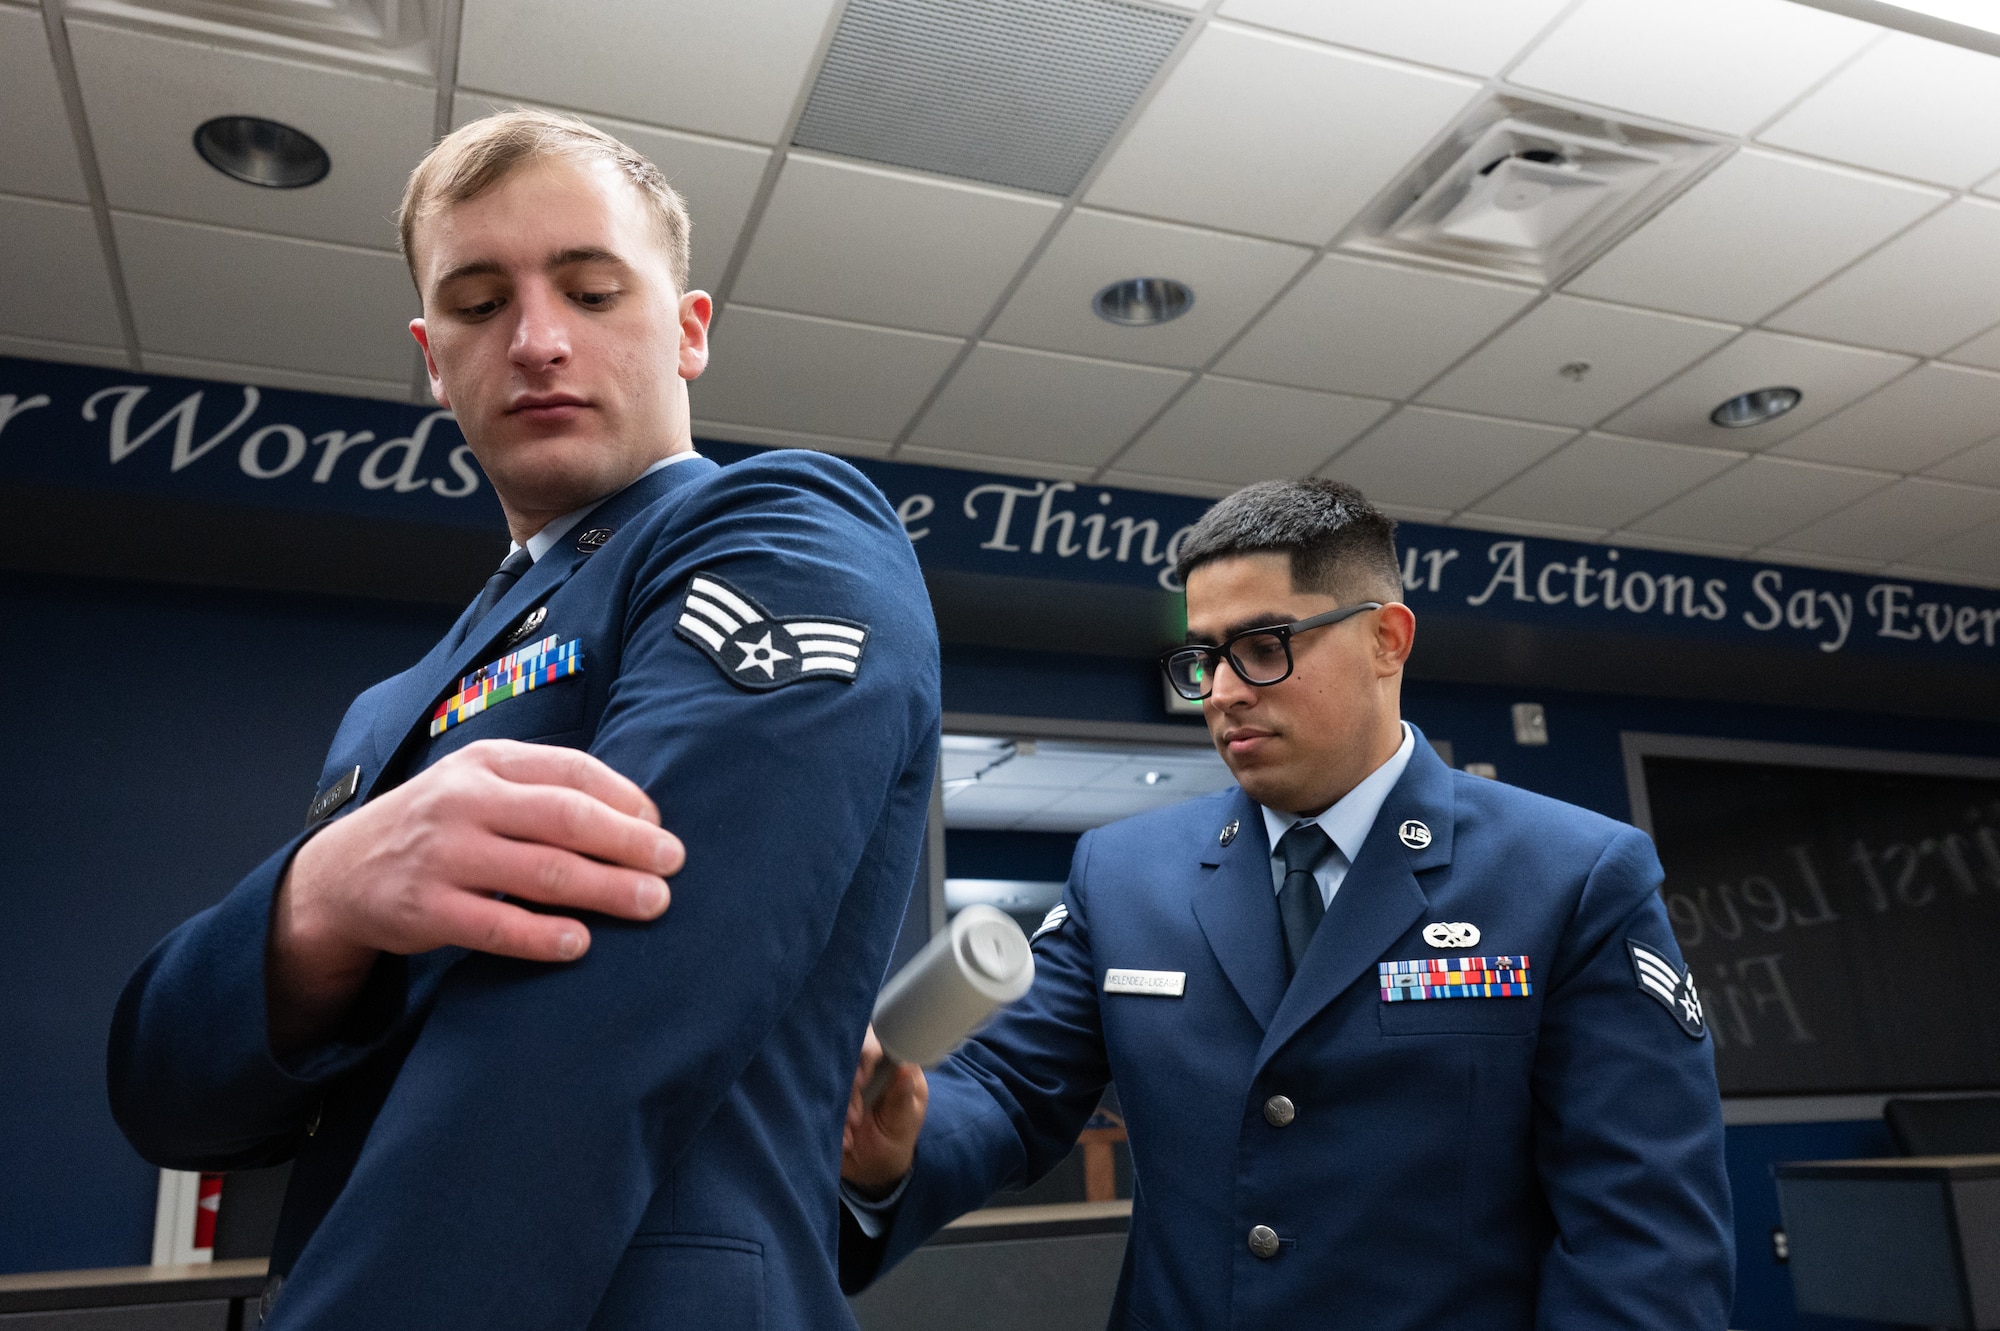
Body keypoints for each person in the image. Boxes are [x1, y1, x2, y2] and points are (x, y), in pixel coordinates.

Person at [107, 110, 940, 1330]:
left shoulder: (779, 536)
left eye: (594, 291)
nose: (539, 340)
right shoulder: (391, 707)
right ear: (432, 357)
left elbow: (590, 1036)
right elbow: (175, 1101)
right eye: (480, 301)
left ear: (688, 329)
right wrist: (318, 899)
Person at [838, 479, 1733, 1329]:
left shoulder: (1569, 877)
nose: (1222, 692)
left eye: (1265, 647)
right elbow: (1007, 1085)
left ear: (1388, 639)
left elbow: (1645, 1244)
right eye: (1204, 658)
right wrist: (896, 1149)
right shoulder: (1123, 874)